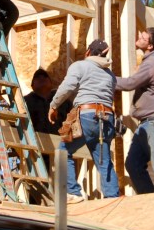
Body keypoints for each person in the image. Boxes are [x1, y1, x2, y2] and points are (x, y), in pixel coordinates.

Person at [48, 40, 119, 202]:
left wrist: (53, 105)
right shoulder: (110, 75)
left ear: (88, 52)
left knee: (63, 152)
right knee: (104, 159)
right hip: (106, 118)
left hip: (87, 115)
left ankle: (73, 192)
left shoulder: (80, 66)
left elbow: (67, 87)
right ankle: (112, 197)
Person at [115, 27, 154, 193]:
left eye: (143, 37)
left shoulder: (153, 62)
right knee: (133, 164)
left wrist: (105, 79)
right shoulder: (152, 60)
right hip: (148, 122)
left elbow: (130, 83)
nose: (139, 37)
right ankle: (152, 200)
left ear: (150, 46)